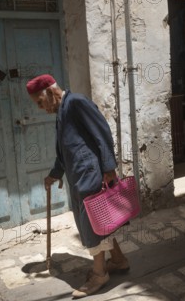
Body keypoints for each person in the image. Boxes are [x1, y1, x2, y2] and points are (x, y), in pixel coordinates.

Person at [26, 74, 130, 298]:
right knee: (101, 221)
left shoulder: (76, 103)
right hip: (80, 176)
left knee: (93, 223)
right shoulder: (62, 112)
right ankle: (119, 260)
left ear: (52, 93)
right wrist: (54, 174)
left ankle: (99, 274)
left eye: (41, 102)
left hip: (90, 174)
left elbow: (102, 133)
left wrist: (109, 167)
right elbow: (65, 151)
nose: (42, 109)